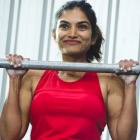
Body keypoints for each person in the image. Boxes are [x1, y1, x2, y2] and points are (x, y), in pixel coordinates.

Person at [0, 0, 139, 140]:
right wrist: (14, 79)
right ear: (54, 35)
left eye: (82, 27)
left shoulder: (108, 80)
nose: (72, 33)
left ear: (93, 37)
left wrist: (130, 84)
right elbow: (8, 136)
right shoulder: (32, 76)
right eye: (65, 26)